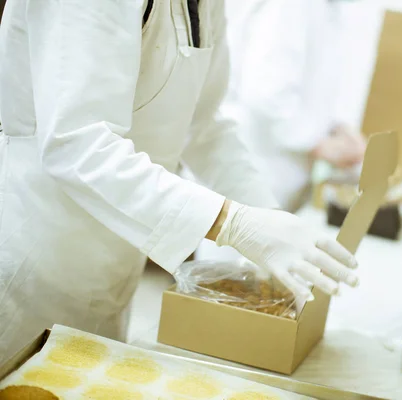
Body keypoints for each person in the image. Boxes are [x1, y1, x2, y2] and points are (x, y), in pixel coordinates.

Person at [0, 0, 359, 362]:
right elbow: (77, 143)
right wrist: (233, 223)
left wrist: (269, 218)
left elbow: (203, 126)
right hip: (35, 262)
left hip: (115, 264)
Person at [222, 0, 367, 213]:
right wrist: (318, 143)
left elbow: (312, 83)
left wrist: (337, 128)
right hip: (256, 174)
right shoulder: (292, 5)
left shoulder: (323, 8)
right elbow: (266, 94)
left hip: (279, 177)